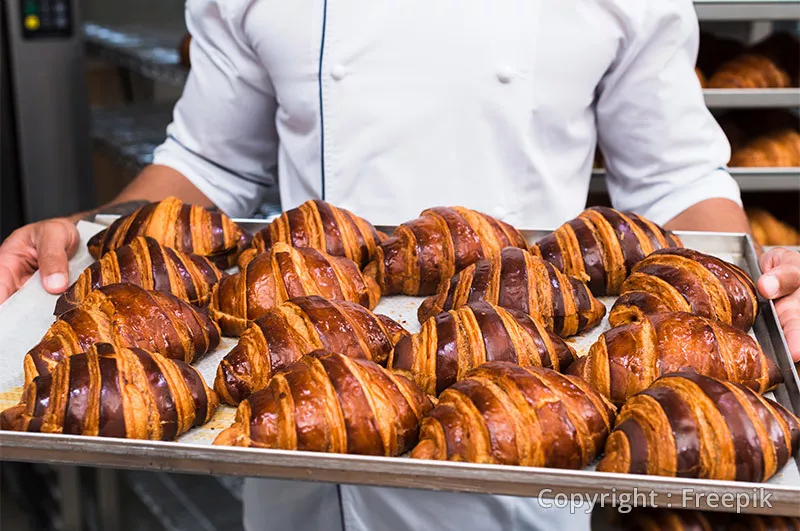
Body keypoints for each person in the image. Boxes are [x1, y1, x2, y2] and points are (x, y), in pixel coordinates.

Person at [1, 1, 798, 529]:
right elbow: (209, 161)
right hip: (297, 433)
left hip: (533, 442)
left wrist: (757, 296)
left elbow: (674, 179)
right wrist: (85, 232)